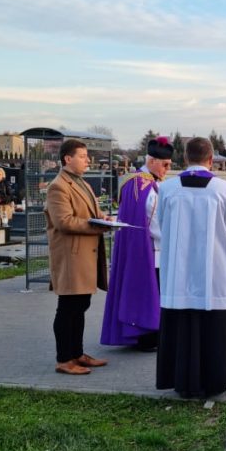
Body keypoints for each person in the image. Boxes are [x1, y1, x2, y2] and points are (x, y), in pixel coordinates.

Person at [157, 136, 226, 397]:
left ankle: (181, 379)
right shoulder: (224, 189)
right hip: (213, 269)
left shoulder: (167, 188)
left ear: (185, 157)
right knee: (212, 325)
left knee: (182, 323)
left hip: (178, 269)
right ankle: (213, 381)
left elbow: (162, 224)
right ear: (211, 159)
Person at [100, 136, 173, 352]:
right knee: (149, 293)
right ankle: (148, 337)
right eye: (165, 165)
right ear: (151, 161)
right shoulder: (148, 187)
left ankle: (137, 334)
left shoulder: (131, 181)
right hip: (150, 249)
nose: (167, 169)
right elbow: (155, 223)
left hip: (131, 245)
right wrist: (174, 238)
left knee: (134, 289)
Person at [45, 138, 110, 376]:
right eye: (82, 156)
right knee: (68, 308)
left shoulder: (82, 182)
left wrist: (105, 218)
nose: (87, 160)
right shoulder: (58, 186)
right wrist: (98, 226)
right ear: (67, 158)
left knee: (81, 305)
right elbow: (64, 221)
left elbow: (92, 212)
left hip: (84, 255)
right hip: (71, 257)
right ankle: (64, 359)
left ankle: (77, 353)